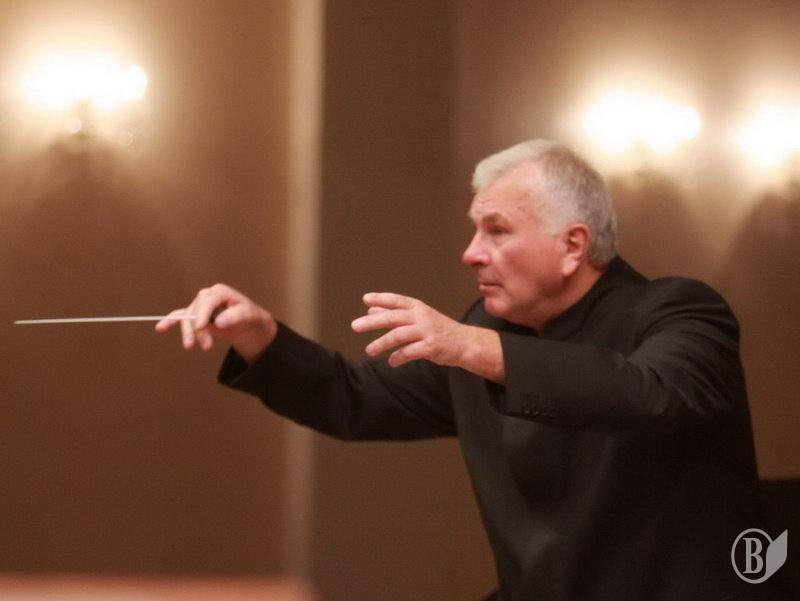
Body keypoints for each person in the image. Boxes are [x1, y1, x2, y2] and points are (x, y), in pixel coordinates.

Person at [156, 140, 785, 600]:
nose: (470, 253)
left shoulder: (681, 310)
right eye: (474, 230)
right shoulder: (485, 333)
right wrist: (262, 339)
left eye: (496, 231)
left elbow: (651, 393)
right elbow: (352, 398)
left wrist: (471, 348)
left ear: (572, 246)